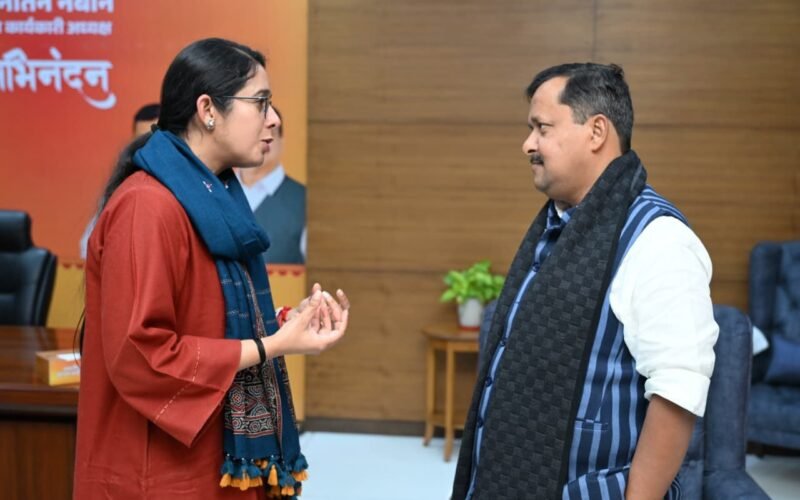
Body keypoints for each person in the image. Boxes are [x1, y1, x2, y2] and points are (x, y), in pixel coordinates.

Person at [74, 38, 349, 500]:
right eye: (260, 103)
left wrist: (285, 324)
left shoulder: (212, 197)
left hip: (213, 462)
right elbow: (142, 354)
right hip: (159, 473)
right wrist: (270, 346)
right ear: (208, 110)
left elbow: (211, 319)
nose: (273, 119)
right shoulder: (147, 206)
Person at [452, 63, 718, 499]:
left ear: (596, 132)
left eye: (542, 128)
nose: (528, 144)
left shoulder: (660, 240)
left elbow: (679, 393)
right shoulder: (555, 226)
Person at [79, 103, 161, 258]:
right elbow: (87, 246)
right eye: (141, 141)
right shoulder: (123, 185)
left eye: (153, 139)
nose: (148, 147)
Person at [236, 105, 306, 264]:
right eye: (253, 133)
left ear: (282, 141)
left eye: (270, 133)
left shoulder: (304, 199)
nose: (262, 141)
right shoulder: (215, 191)